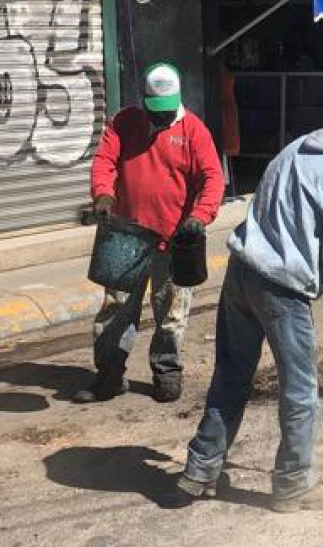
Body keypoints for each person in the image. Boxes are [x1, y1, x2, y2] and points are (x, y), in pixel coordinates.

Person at [175, 109, 323, 512]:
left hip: (241, 271)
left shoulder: (300, 147)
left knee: (231, 375)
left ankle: (200, 470)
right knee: (300, 390)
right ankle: (295, 483)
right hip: (282, 288)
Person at [79, 62, 225, 404]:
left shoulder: (193, 131)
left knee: (172, 310)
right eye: (153, 112)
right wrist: (103, 193)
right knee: (116, 309)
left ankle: (166, 371)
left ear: (178, 101)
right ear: (143, 101)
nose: (159, 120)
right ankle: (110, 374)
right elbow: (105, 161)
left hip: (173, 239)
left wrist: (200, 217)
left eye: (166, 113)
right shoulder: (123, 123)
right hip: (126, 236)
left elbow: (212, 179)